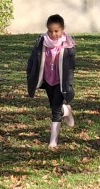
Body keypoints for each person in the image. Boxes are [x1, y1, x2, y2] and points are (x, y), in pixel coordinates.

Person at [26, 13, 76, 149]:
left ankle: (53, 140)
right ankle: (66, 110)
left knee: (55, 110)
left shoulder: (68, 45)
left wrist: (68, 83)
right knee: (53, 106)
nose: (53, 34)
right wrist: (31, 75)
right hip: (48, 80)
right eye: (50, 31)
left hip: (61, 82)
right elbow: (33, 61)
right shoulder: (41, 43)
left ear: (62, 29)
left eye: (56, 31)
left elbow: (71, 67)